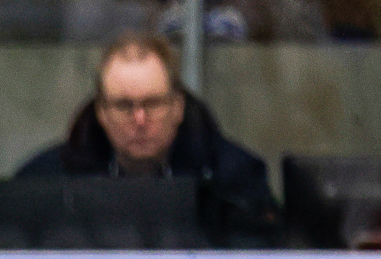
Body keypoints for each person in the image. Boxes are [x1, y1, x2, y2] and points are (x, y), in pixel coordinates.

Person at [16, 33, 280, 247]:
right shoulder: (46, 182)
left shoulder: (234, 179)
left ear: (178, 107)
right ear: (101, 113)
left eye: (153, 103)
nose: (140, 120)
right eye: (123, 106)